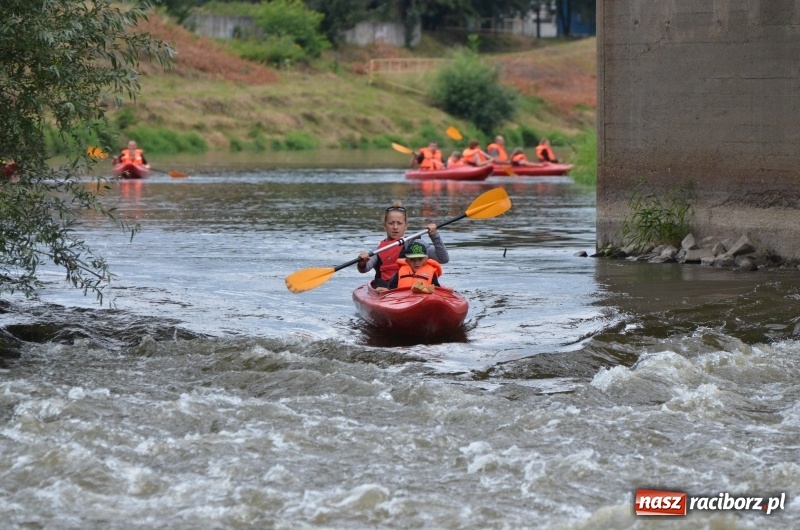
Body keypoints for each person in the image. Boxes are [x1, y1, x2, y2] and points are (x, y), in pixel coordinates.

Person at [357, 202, 449, 290]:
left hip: (410, 286)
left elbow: (443, 258)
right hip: (384, 289)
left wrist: (434, 236)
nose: (395, 227)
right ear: (385, 225)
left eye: (399, 223)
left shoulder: (415, 244)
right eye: (391, 223)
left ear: (406, 225)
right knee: (378, 282)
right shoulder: (379, 249)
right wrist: (362, 262)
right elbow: (364, 269)